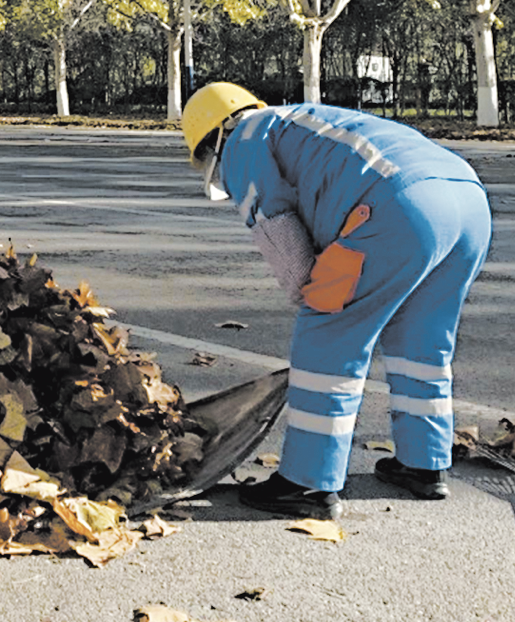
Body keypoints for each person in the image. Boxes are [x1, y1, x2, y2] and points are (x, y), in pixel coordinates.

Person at [181, 82, 492, 521]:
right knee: (423, 341)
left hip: (398, 207)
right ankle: (424, 464)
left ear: (211, 140)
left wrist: (314, 298)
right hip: (468, 202)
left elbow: (277, 228)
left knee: (328, 333)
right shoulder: (303, 119)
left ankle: (307, 483)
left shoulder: (243, 137)